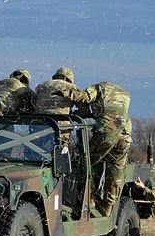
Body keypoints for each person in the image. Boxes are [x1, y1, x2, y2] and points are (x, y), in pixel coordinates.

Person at [50, 80, 132, 217]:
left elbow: (84, 97)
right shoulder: (124, 94)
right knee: (116, 172)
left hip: (106, 133)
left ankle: (89, 199)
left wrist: (64, 92)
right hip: (125, 135)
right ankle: (107, 206)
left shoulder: (99, 88)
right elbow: (111, 113)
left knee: (84, 164)